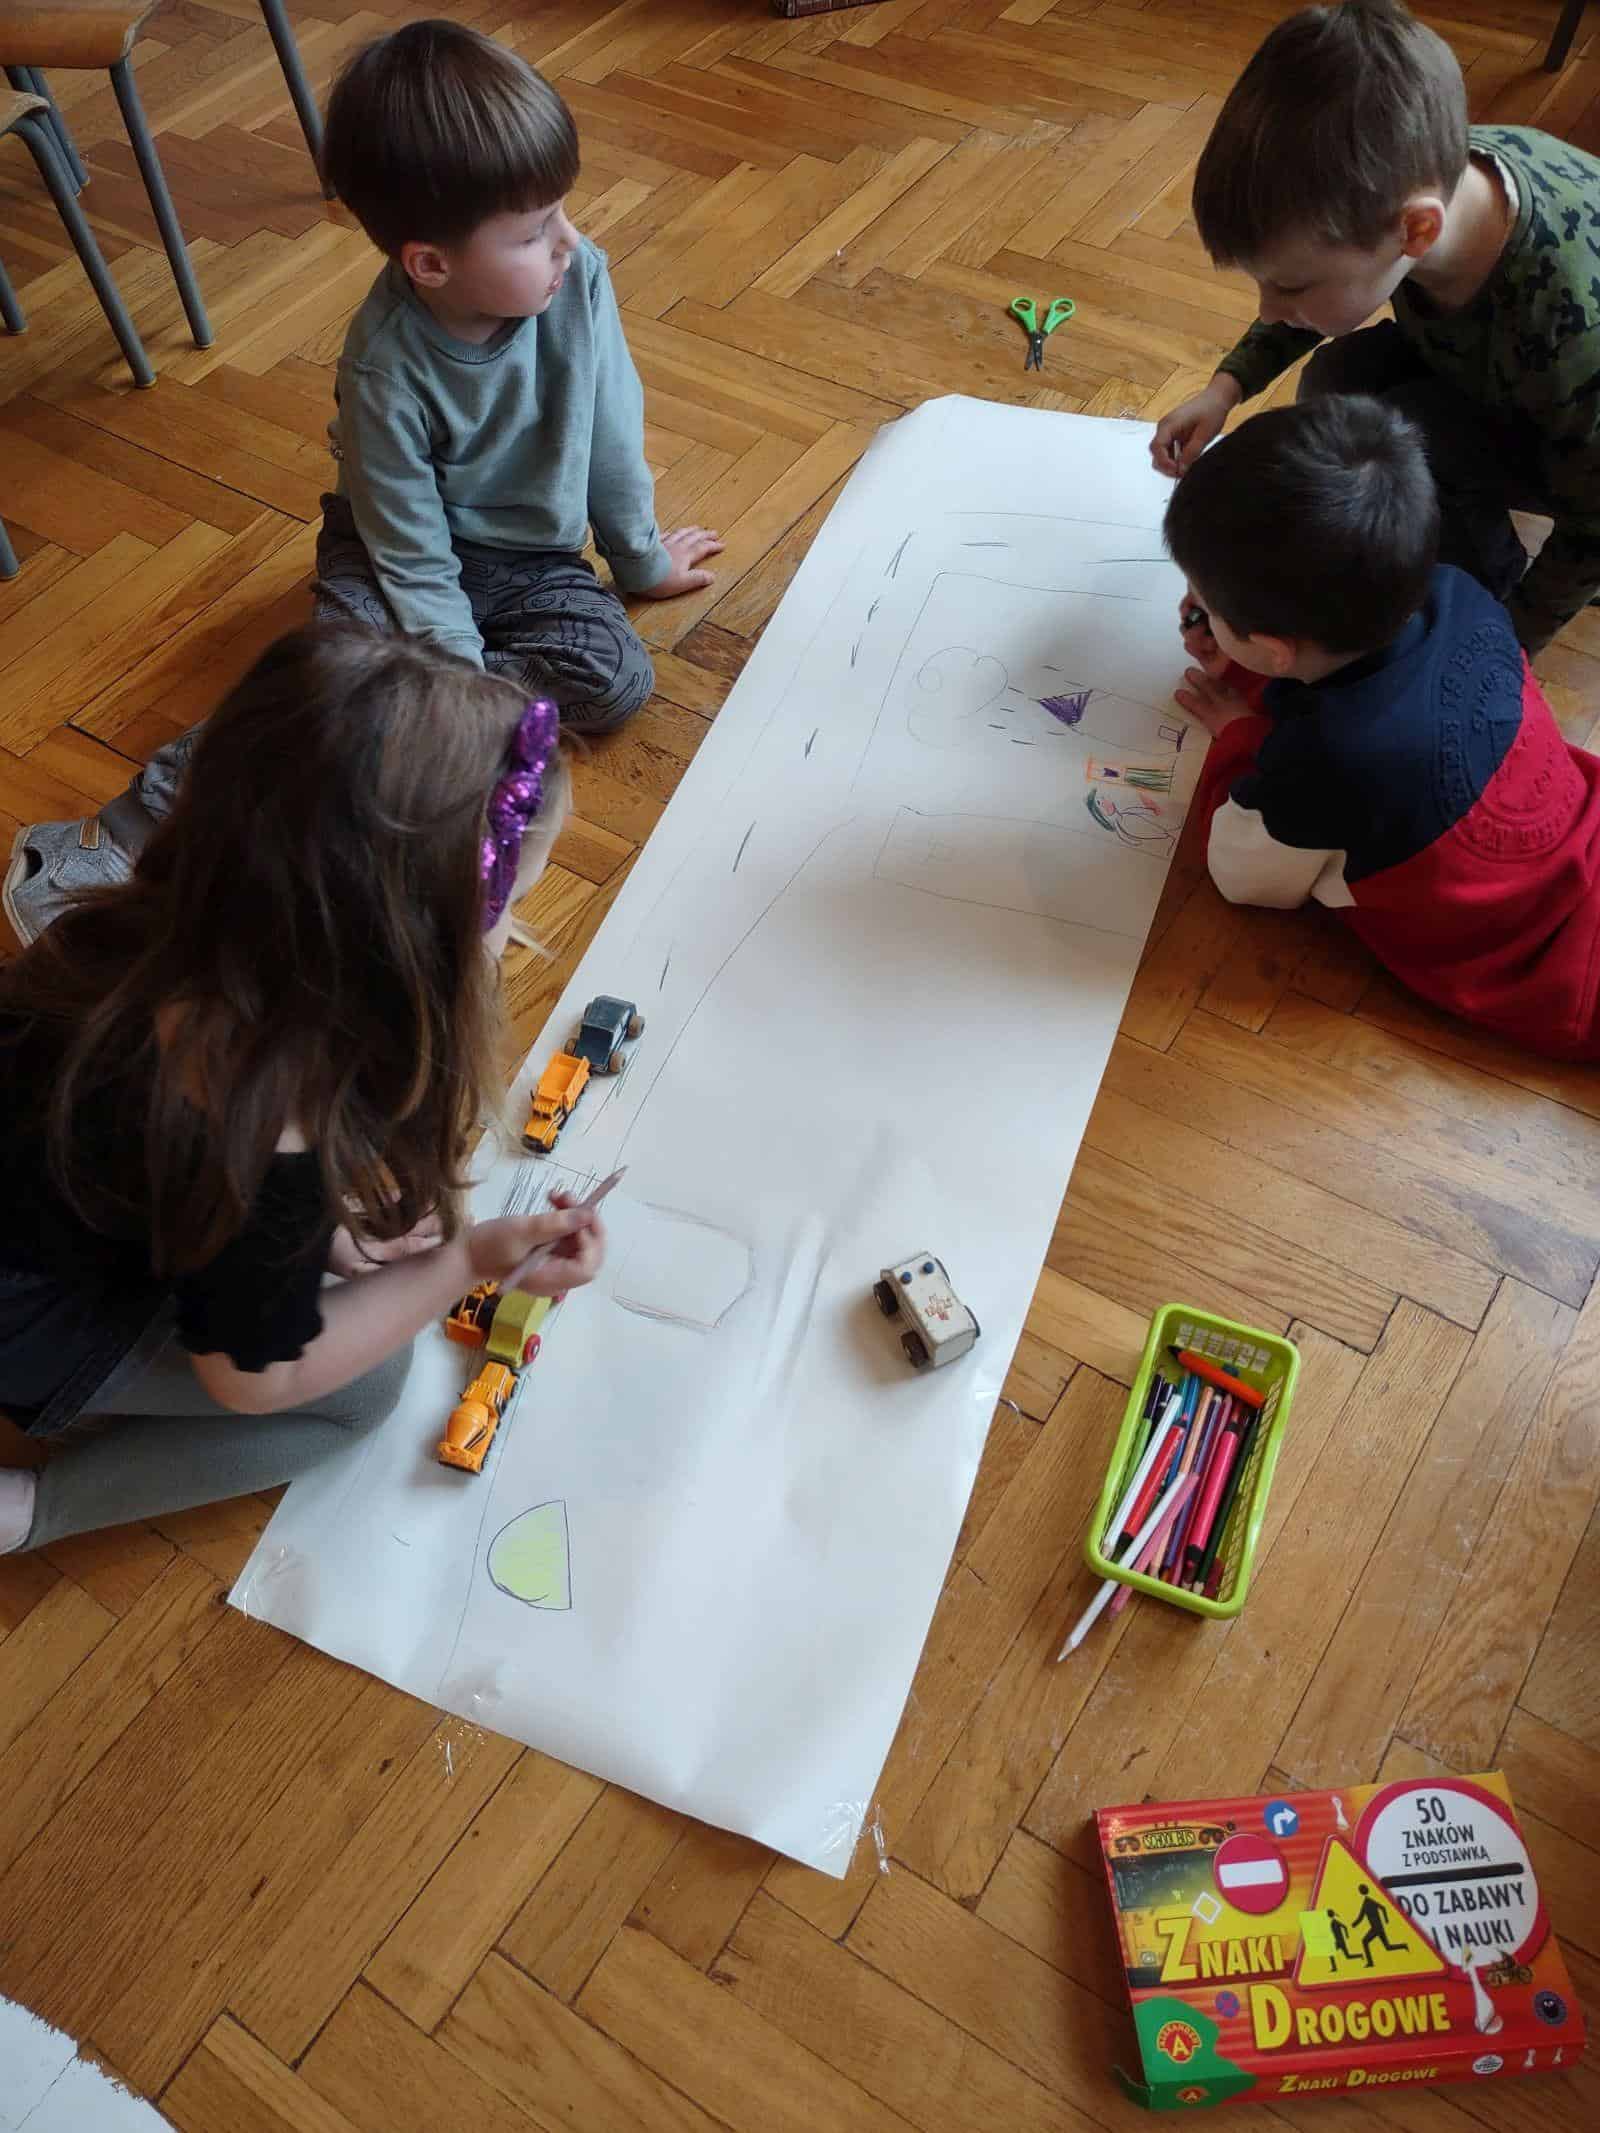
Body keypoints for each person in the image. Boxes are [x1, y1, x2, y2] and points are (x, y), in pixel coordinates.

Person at [0, 628, 606, 1556]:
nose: (508, 935)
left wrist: (320, 1235)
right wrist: (466, 1259)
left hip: (59, 1211)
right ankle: (30, 1512)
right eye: (505, 906)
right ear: (404, 944)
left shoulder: (150, 927)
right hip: (32, 1310)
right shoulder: (261, 1107)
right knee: (365, 1390)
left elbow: (134, 1163)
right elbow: (254, 1378)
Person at [1149, 0, 1600, 657]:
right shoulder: (1419, 174)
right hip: (1499, 373)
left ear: (1416, 231)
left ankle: (1473, 589)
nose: (1269, 308)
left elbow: (1594, 528)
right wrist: (1226, 388)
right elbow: (1320, 289)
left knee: (1403, 442)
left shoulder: (1569, 333)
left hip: (1583, 445)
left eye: (1290, 287)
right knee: (1340, 382)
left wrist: (1506, 642)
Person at [312, 17, 722, 731]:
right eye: (534, 233)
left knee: (616, 679)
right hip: (387, 548)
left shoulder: (579, 276)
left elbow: (613, 437)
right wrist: (457, 662)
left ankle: (413, 706)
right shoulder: (383, 366)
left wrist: (641, 559)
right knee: (330, 666)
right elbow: (409, 550)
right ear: (431, 264)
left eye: (560, 213)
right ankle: (171, 789)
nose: (568, 240)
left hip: (531, 560)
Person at [1165, 395, 1600, 1061]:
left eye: (1209, 606)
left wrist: (1240, 737)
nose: (1197, 609)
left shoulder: (1323, 762)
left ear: (1275, 648)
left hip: (1543, 964)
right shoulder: (1460, 592)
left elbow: (1242, 876)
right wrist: (1246, 657)